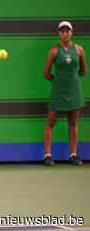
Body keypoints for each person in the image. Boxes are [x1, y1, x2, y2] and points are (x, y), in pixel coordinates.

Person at [43, 21, 87, 166]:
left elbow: (83, 70)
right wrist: (59, 82)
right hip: (58, 91)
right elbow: (47, 73)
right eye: (62, 31)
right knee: (51, 122)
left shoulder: (79, 50)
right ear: (59, 34)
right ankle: (48, 155)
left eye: (67, 31)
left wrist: (71, 80)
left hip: (75, 90)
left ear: (71, 33)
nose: (65, 33)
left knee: (73, 122)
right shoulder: (54, 51)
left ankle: (73, 155)